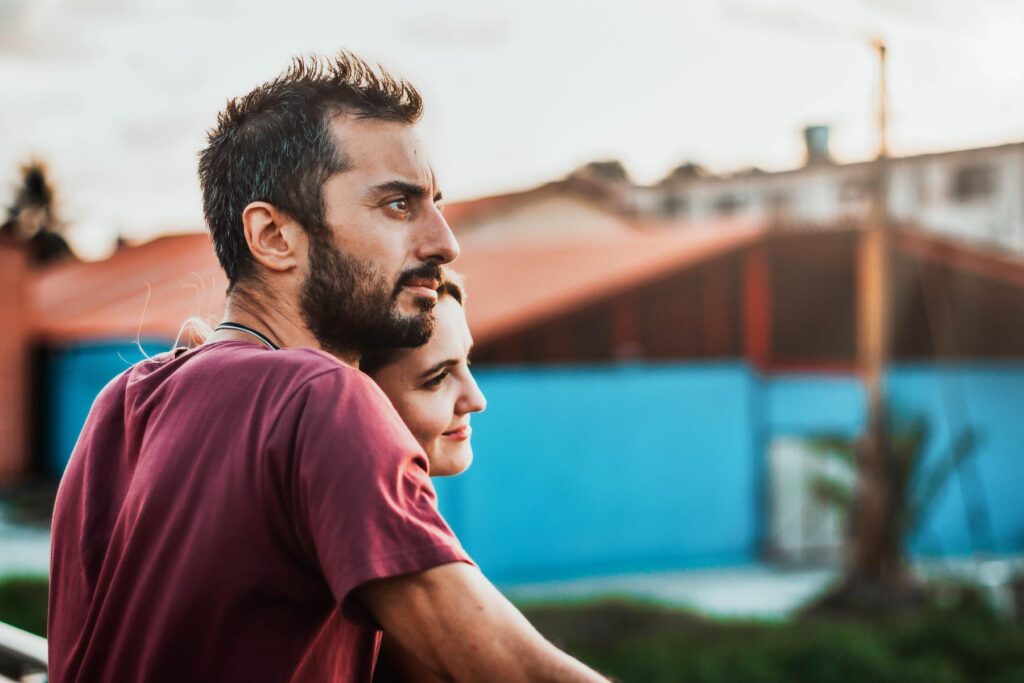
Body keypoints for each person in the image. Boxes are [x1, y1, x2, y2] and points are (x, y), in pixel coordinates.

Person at [48, 52, 606, 683]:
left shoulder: (125, 400)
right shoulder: (321, 398)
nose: (444, 242)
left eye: (435, 204)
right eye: (398, 205)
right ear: (273, 236)